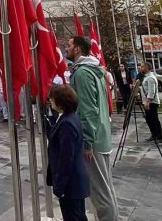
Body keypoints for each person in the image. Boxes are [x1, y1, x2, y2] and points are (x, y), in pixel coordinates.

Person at [66, 36, 119, 221]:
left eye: (69, 45)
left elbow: (88, 109)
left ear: (78, 49)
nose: (67, 48)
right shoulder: (92, 70)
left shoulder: (82, 73)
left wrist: (87, 141)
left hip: (94, 140)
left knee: (100, 193)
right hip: (101, 135)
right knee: (106, 189)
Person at [47, 85, 90, 221]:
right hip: (73, 182)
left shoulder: (67, 123)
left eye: (52, 98)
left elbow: (66, 158)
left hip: (71, 184)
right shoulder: (68, 117)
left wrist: (60, 186)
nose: (50, 101)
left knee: (74, 216)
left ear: (61, 101)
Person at [139, 62, 162, 143]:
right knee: (149, 120)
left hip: (151, 103)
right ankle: (154, 135)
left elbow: (151, 91)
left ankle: (159, 137)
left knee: (154, 119)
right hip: (147, 102)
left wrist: (147, 102)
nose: (141, 68)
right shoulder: (146, 77)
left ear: (147, 68)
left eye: (142, 67)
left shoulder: (150, 78)